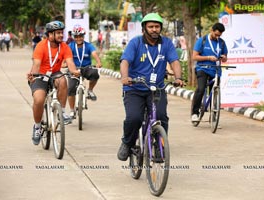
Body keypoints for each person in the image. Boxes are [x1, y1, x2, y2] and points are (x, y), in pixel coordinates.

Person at [117, 13, 183, 161]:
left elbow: (175, 61)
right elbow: (125, 61)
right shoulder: (135, 43)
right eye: (151, 26)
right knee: (134, 118)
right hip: (134, 88)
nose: (154, 29)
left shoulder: (166, 43)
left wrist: (178, 77)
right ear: (144, 29)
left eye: (157, 26)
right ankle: (127, 143)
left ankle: (160, 146)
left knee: (161, 117)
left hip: (157, 89)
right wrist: (125, 77)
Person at [27, 21, 80, 145]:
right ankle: (37, 126)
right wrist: (34, 75)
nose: (62, 35)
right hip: (40, 75)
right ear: (50, 35)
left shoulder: (65, 47)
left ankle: (61, 111)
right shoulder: (41, 46)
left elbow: (70, 62)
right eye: (58, 33)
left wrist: (74, 71)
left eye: (62, 32)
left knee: (63, 80)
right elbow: (36, 64)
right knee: (39, 100)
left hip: (55, 73)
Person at [191, 22, 228, 122]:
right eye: (216, 34)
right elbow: (194, 57)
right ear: (211, 30)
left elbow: (225, 58)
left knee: (215, 93)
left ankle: (214, 117)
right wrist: (208, 57)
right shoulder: (202, 41)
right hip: (202, 68)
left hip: (216, 70)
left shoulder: (222, 43)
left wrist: (224, 58)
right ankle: (195, 113)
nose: (217, 37)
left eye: (219, 35)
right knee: (201, 89)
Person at [67, 24, 102, 119]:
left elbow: (94, 54)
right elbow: (66, 57)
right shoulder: (70, 46)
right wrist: (64, 64)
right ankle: (71, 110)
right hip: (74, 68)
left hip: (86, 68)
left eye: (81, 36)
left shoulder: (88, 45)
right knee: (70, 89)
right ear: (74, 37)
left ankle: (90, 90)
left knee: (95, 73)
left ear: (83, 36)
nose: (78, 38)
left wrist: (98, 62)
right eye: (76, 36)